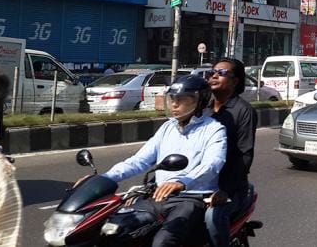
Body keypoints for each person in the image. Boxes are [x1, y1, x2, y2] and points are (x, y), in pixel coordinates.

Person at [97, 75, 227, 247]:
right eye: (173, 98)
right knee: (115, 229)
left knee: (163, 242)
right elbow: (139, 160)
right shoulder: (167, 128)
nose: (174, 104)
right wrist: (103, 179)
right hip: (158, 196)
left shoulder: (214, 129)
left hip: (190, 198)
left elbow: (213, 164)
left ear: (199, 101)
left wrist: (182, 182)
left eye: (181, 99)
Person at [204, 58, 257, 247]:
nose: (215, 75)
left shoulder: (244, 111)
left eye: (222, 73)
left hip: (231, 189)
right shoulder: (202, 110)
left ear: (235, 81)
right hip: (199, 184)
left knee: (212, 216)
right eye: (213, 72)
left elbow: (245, 156)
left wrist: (225, 190)